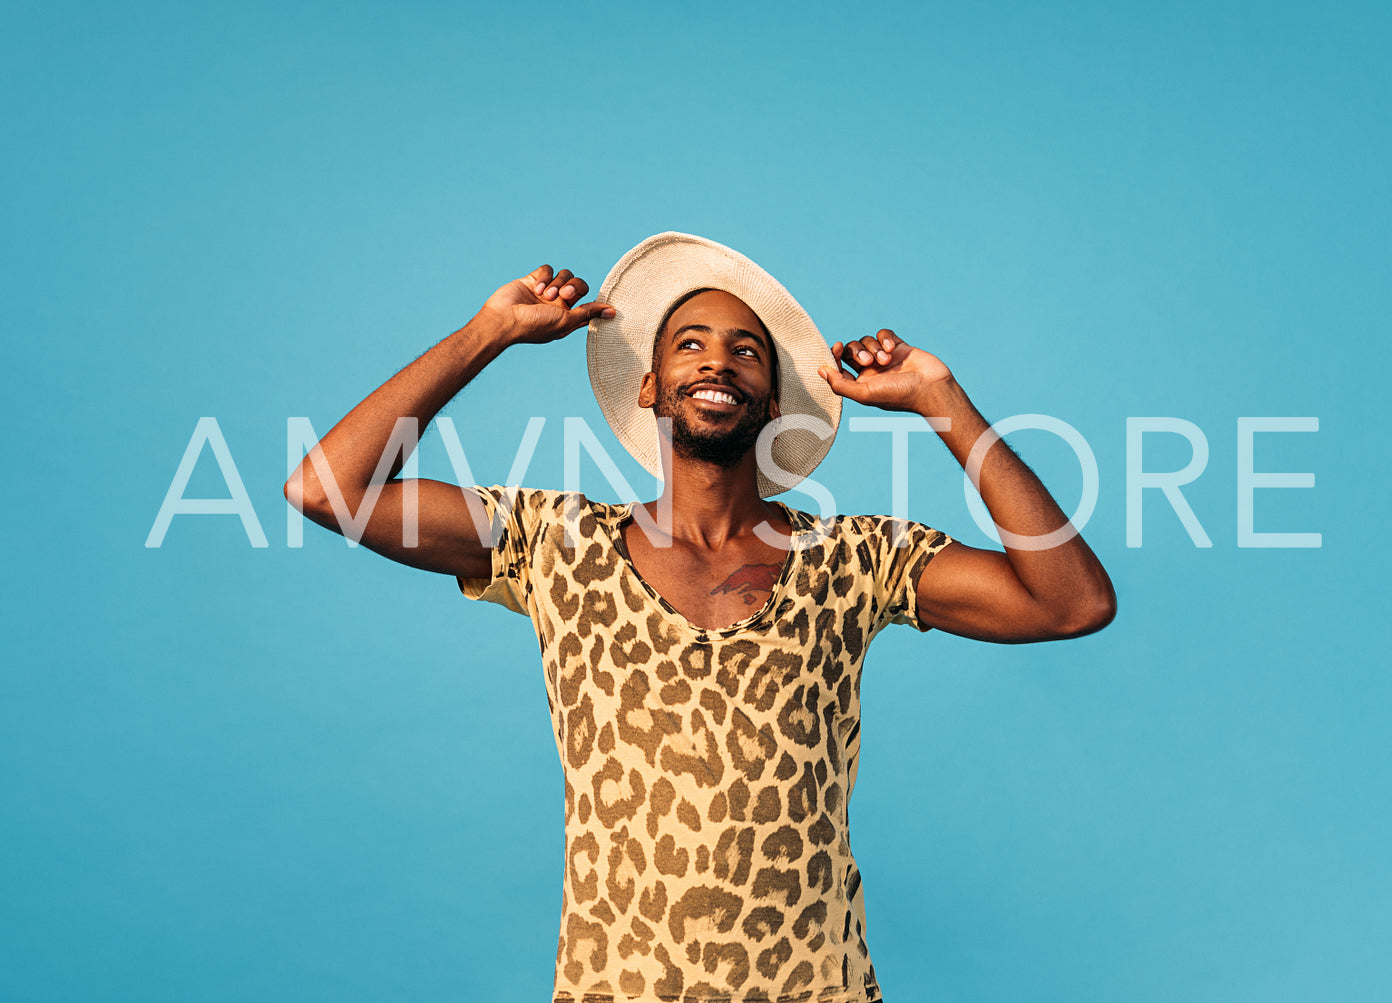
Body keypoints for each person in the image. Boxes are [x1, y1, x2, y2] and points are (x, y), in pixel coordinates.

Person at [285, 233, 1115, 1003]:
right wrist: (488, 333)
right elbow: (327, 489)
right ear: (649, 386)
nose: (718, 359)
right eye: (689, 342)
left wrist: (944, 401)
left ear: (772, 400)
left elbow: (1072, 601)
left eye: (746, 350)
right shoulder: (557, 542)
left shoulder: (855, 558)